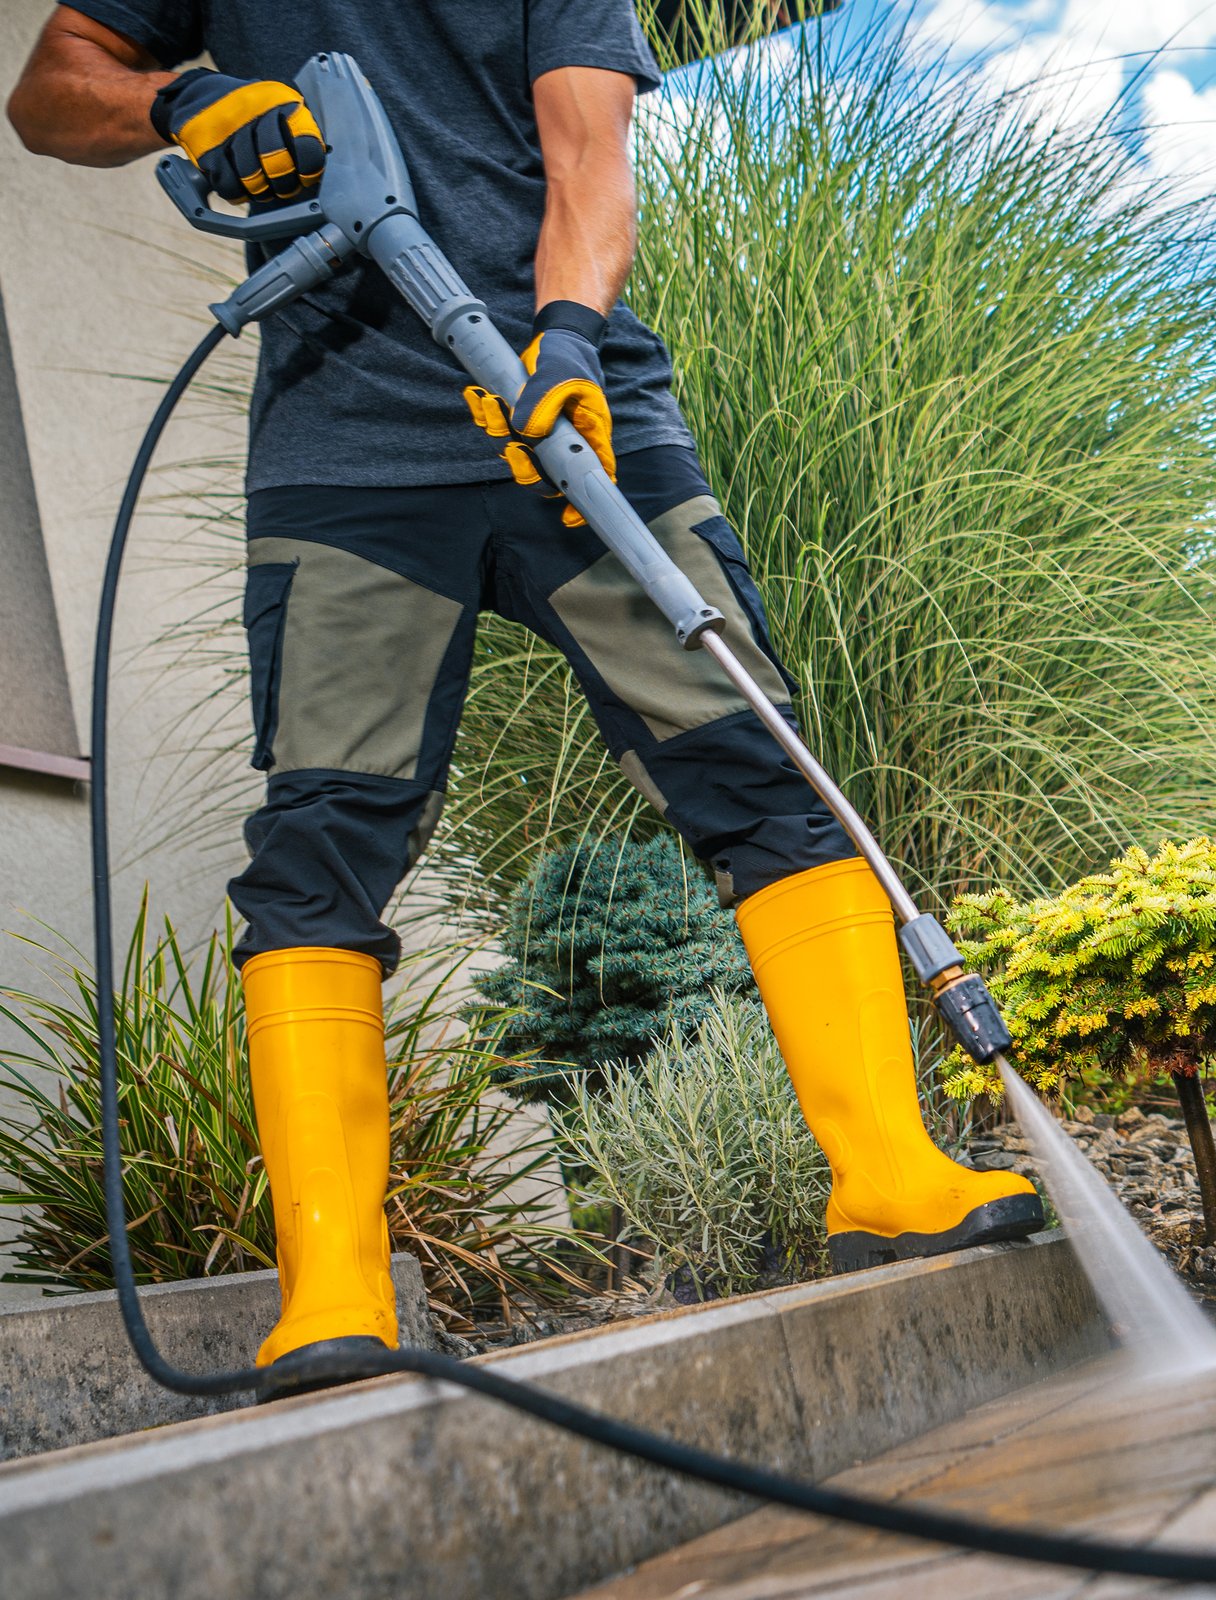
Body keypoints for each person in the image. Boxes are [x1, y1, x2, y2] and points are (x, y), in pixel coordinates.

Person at [7, 0, 1039, 1390]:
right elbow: (50, 88)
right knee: (324, 839)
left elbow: (587, 159)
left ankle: (885, 1172)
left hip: (577, 417)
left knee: (757, 770)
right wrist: (180, 103)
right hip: (343, 457)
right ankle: (334, 1289)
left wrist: (564, 338)